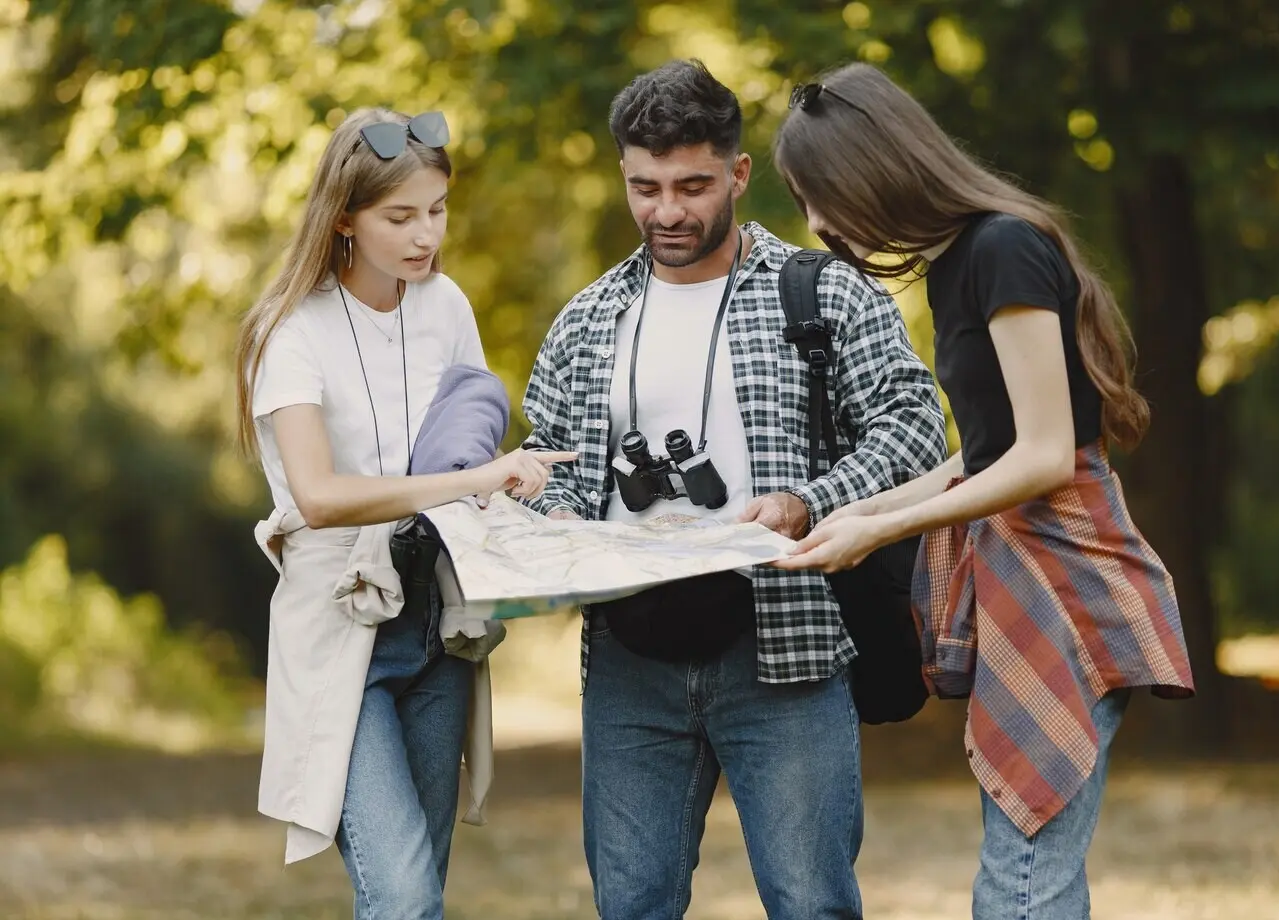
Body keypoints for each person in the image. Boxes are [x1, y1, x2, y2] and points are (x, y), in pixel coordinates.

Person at [520, 60, 948, 919]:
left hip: (786, 648)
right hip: (629, 657)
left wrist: (811, 501)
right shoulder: (587, 319)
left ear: (739, 174)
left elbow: (917, 425)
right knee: (631, 903)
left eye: (692, 185)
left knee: (812, 903)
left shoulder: (823, 291)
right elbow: (541, 468)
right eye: (645, 187)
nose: (667, 211)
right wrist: (560, 528)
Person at [772, 63, 1196, 920]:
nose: (815, 223)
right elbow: (984, 453)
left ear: (871, 169)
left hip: (1069, 583)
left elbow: (1044, 459)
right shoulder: (958, 264)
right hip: (1020, 583)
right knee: (1023, 872)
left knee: (1022, 884)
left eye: (818, 195)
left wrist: (884, 534)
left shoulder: (1003, 249)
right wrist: (856, 511)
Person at [232, 106, 573, 919]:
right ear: (344, 217)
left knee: (414, 896)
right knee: (406, 896)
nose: (427, 234)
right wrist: (471, 480)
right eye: (400, 216)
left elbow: (465, 454)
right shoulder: (290, 333)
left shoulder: (446, 305)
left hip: (439, 618)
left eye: (437, 209)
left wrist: (522, 501)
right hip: (340, 620)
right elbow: (318, 496)